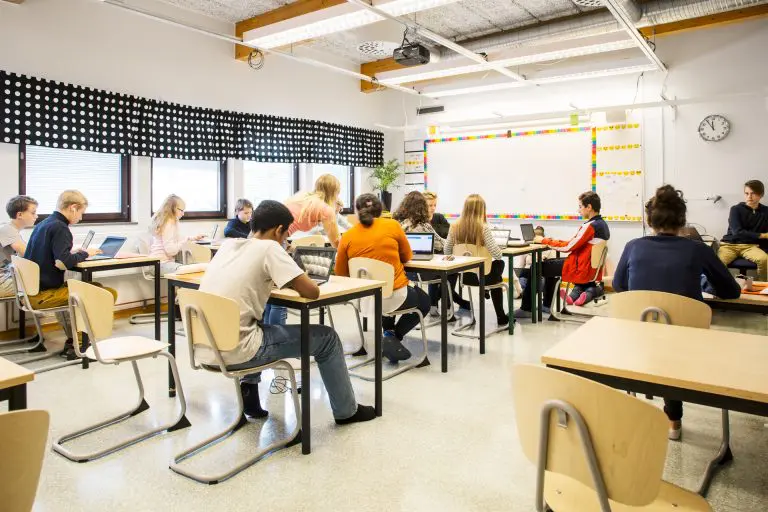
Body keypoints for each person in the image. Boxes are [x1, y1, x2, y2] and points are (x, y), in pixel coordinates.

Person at [199, 200, 375, 425]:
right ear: (279, 230)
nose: (285, 240)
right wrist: (295, 275)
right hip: (238, 351)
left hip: (207, 346)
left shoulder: (228, 246)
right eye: (286, 235)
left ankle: (250, 395)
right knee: (327, 338)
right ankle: (347, 412)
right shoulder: (270, 248)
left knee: (259, 324)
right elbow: (311, 292)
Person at [613, 185, 740, 440]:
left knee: (659, 338)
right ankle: (674, 420)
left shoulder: (632, 246)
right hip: (687, 345)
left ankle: (643, 412)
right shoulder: (697, 250)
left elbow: (619, 285)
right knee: (670, 341)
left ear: (649, 220)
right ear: (682, 221)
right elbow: (731, 291)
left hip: (638, 339)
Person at [335, 194, 431, 364]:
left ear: (357, 211)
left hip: (363, 300)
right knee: (424, 302)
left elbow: (341, 273)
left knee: (382, 294)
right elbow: (407, 256)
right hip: (395, 297)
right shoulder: (392, 226)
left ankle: (389, 335)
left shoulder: (347, 236)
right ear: (380, 210)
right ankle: (393, 337)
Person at [23, 190, 117, 359]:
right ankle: (80, 344)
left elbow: (56, 257)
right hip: (44, 294)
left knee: (93, 288)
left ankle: (74, 340)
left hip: (32, 290)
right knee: (106, 293)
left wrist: (73, 253)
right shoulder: (61, 227)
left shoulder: (45, 223)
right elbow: (64, 262)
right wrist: (86, 253)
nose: (81, 217)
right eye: (81, 213)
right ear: (73, 208)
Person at [517, 191, 610, 317]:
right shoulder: (602, 224)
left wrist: (544, 241)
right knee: (547, 266)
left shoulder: (591, 226)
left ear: (589, 207)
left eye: (580, 207)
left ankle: (526, 308)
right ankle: (546, 306)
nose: (578, 210)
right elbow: (574, 243)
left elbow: (568, 247)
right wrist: (551, 241)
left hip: (580, 267)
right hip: (586, 266)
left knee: (536, 267)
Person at [444, 194, 509, 327]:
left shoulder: (454, 226)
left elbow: (447, 251)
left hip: (464, 277)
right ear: (482, 210)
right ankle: (501, 316)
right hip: (483, 277)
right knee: (499, 265)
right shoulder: (483, 228)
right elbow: (497, 255)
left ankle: (486, 293)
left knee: (495, 273)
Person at [717, 179, 768, 281]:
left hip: (750, 246)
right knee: (718, 263)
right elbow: (737, 232)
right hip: (729, 245)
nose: (749, 197)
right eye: (746, 193)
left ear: (761, 194)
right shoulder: (735, 209)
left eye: (753, 193)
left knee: (764, 259)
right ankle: (722, 288)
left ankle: (763, 286)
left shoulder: (766, 211)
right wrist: (762, 235)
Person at [149, 194, 204, 275]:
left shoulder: (169, 221)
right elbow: (171, 251)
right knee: (194, 269)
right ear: (173, 208)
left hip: (159, 263)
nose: (183, 214)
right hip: (159, 264)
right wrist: (184, 242)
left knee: (193, 268)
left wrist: (192, 238)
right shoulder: (169, 223)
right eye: (181, 210)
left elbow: (177, 239)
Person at [284, 174, 342, 248]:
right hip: (276, 235)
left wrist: (287, 246)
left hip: (274, 232)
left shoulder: (303, 198)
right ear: (334, 193)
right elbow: (337, 243)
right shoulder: (325, 209)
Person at [1, 195, 38, 298]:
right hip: (2, 281)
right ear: (20, 215)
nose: (36, 216)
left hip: (6, 276)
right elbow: (28, 254)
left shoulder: (10, 229)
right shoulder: (8, 230)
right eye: (33, 213)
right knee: (43, 283)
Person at [515, 226, 556, 291]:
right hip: (526, 275)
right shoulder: (527, 249)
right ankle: (522, 292)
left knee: (537, 282)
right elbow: (521, 266)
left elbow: (552, 269)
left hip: (540, 276)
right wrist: (517, 277)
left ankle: (524, 292)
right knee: (522, 281)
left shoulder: (548, 249)